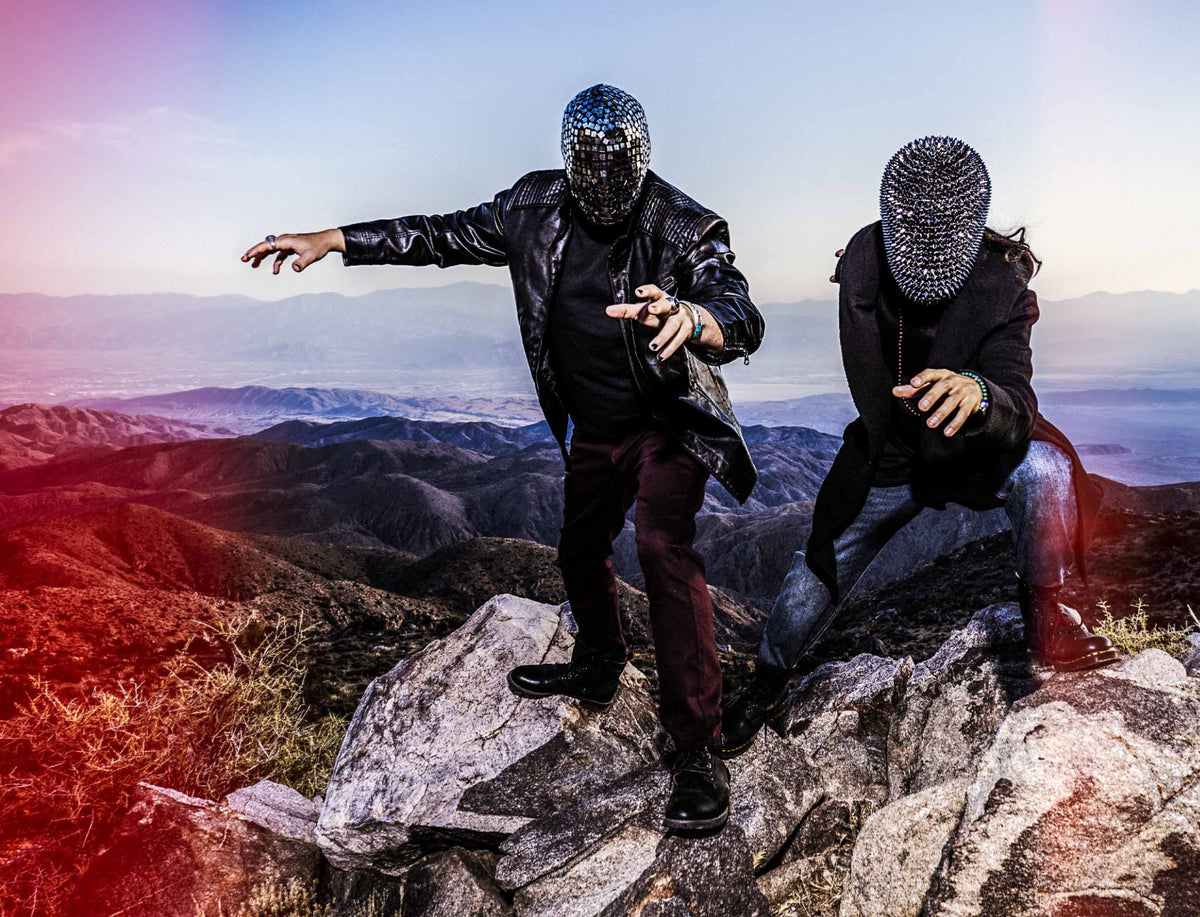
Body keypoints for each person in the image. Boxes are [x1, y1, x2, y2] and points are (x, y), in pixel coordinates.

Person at [241, 84, 762, 831]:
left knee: (661, 545)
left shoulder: (682, 225)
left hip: (669, 422)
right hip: (596, 426)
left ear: (641, 160)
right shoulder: (532, 209)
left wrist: (693, 316)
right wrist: (336, 239)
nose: (607, 178)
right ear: (571, 162)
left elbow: (739, 308)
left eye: (621, 163)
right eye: (592, 162)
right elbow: (438, 234)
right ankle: (601, 658)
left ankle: (698, 751)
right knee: (579, 546)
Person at [715, 136, 1115, 759]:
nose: (925, 246)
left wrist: (978, 395)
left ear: (968, 226)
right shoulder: (865, 260)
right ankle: (765, 686)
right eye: (913, 233)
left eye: (940, 233)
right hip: (890, 457)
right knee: (816, 568)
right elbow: (861, 286)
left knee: (1046, 470)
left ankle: (1048, 621)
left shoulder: (1002, 285)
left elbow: (1017, 394)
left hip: (974, 448)